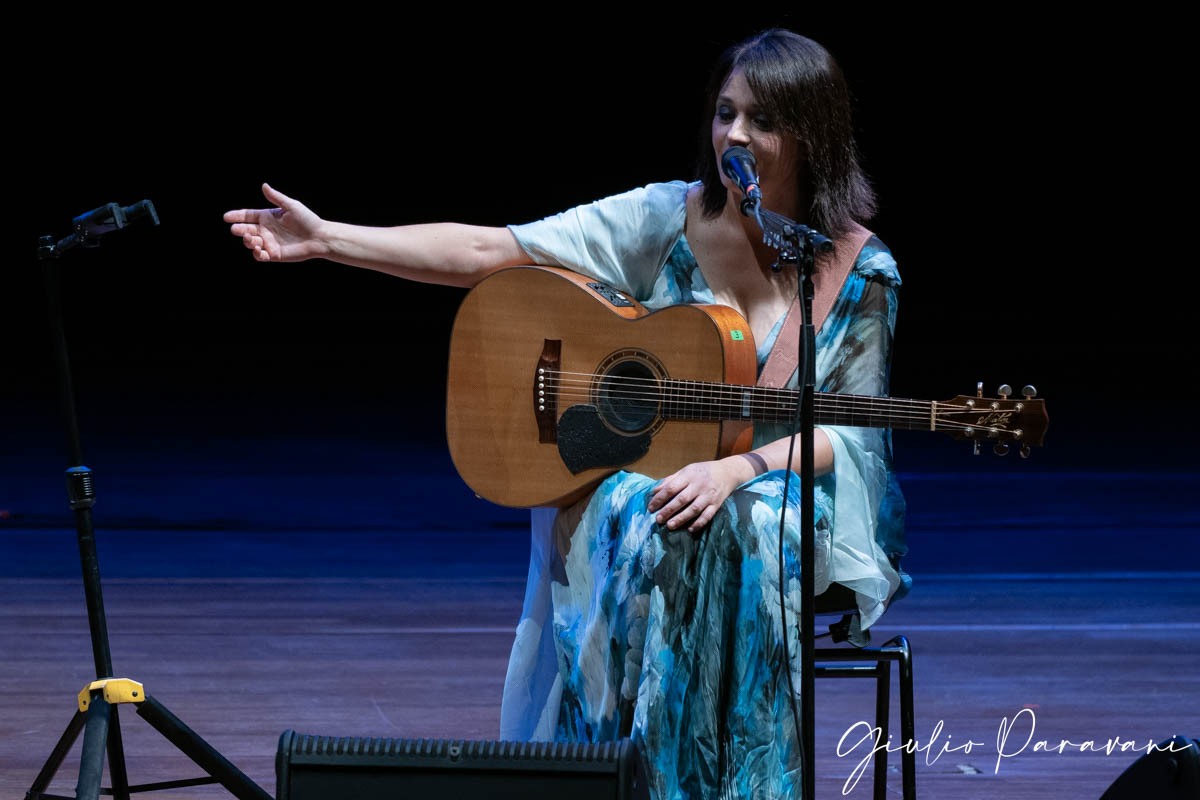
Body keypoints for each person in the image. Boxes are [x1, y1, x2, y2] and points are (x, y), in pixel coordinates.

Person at [224, 27, 908, 800]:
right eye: (725, 113)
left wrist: (735, 470)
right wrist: (329, 240)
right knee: (641, 509)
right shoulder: (664, 218)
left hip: (793, 490)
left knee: (741, 524)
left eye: (762, 120)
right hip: (661, 482)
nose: (735, 135)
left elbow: (852, 432)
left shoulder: (860, 269)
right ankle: (624, 779)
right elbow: (491, 252)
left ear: (812, 135)